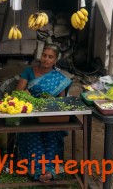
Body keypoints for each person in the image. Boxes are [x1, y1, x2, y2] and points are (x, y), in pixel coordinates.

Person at [14, 44, 72, 182]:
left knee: (52, 134)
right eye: (44, 55)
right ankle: (37, 170)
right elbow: (17, 93)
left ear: (55, 60)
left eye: (50, 57)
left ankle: (51, 170)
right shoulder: (29, 72)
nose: (46, 59)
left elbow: (61, 102)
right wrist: (25, 94)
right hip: (30, 115)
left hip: (49, 116)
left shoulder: (59, 78)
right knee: (33, 134)